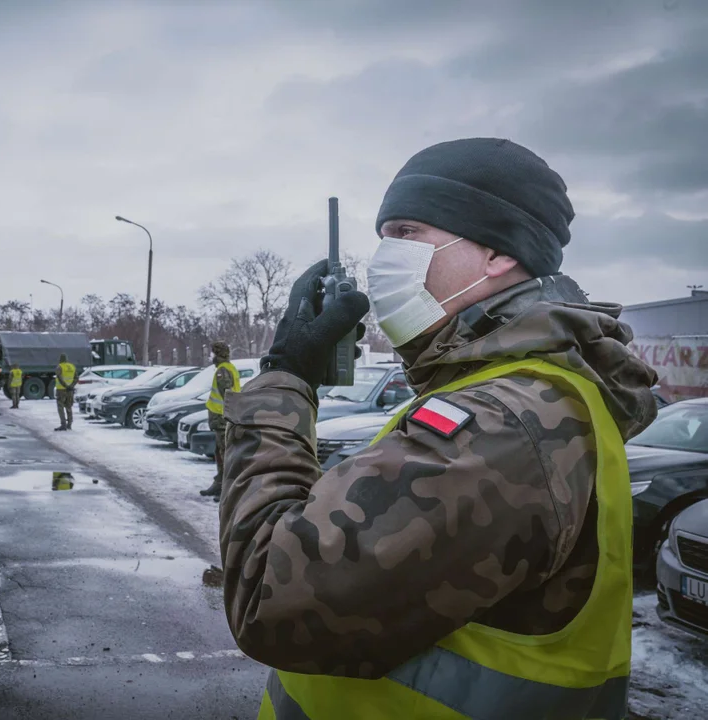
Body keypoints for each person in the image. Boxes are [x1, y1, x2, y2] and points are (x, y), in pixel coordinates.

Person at [220, 138, 658, 719]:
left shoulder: (506, 420)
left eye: (406, 233)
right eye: (383, 236)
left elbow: (269, 599)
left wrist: (285, 379)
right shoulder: (507, 391)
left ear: (499, 251)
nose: (384, 256)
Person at [198, 341, 239, 500]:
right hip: (222, 419)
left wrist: (229, 416)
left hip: (223, 419)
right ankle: (219, 484)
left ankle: (226, 490)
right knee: (219, 452)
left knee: (225, 453)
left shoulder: (223, 370)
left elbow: (228, 394)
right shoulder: (227, 368)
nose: (210, 356)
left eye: (212, 353)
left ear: (217, 354)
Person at [54, 353, 77, 431]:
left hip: (61, 390)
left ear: (60, 359)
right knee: (69, 406)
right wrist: (71, 386)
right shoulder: (72, 366)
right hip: (70, 390)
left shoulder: (59, 367)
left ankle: (63, 424)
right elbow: (76, 378)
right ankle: (69, 424)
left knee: (60, 407)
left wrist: (65, 385)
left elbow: (59, 377)